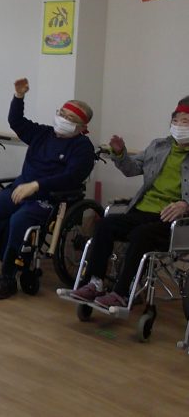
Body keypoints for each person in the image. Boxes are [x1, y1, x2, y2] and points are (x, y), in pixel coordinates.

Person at [0, 78, 95, 299]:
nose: (62, 119)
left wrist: (37, 185)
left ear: (81, 127)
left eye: (70, 118)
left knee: (19, 221)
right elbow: (16, 121)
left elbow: (72, 177)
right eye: (61, 114)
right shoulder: (42, 133)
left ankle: (8, 277)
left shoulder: (83, 148)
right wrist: (19, 96)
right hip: (20, 189)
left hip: (48, 198)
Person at [70, 97, 189, 307]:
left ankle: (122, 293)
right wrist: (119, 153)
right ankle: (95, 283)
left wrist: (185, 205)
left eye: (185, 121)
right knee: (105, 224)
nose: (179, 126)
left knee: (141, 234)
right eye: (176, 120)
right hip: (142, 210)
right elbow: (132, 168)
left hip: (173, 221)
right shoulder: (159, 146)